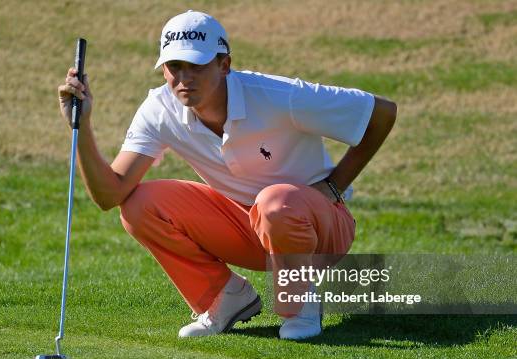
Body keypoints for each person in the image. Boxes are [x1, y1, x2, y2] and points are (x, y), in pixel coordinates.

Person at [58, 10, 397, 340]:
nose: (184, 78)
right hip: (248, 227)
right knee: (138, 206)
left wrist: (334, 187)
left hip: (319, 230)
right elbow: (109, 195)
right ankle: (226, 298)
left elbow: (381, 113)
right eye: (174, 66)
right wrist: (82, 125)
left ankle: (299, 304)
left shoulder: (280, 95)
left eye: (197, 66)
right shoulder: (159, 109)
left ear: (224, 65)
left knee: (275, 203)